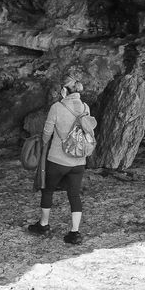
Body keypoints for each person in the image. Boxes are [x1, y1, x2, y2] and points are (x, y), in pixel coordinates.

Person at [27, 75, 91, 244]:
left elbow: (47, 132)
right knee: (74, 195)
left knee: (48, 190)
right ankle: (75, 232)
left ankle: (44, 225)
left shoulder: (57, 107)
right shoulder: (86, 107)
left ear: (64, 91)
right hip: (79, 160)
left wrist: (43, 143)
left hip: (58, 160)